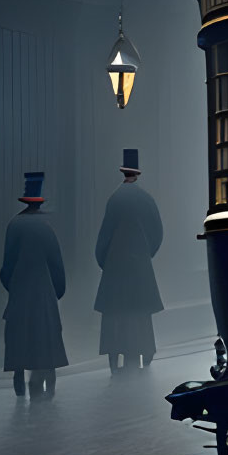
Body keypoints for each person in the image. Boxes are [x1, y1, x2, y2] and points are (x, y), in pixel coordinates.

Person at [94, 149, 164, 371]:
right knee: (140, 314)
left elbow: (104, 236)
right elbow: (158, 232)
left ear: (123, 172)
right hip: (140, 265)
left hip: (116, 266)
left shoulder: (115, 199)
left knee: (116, 315)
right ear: (138, 174)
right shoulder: (146, 199)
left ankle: (116, 357)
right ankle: (143, 352)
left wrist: (104, 261)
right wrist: (146, 253)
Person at [1, 172, 68, 397]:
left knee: (20, 338)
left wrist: (13, 288)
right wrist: (55, 293)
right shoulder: (47, 227)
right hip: (43, 294)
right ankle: (45, 383)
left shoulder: (14, 225)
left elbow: (6, 267)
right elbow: (57, 267)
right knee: (45, 342)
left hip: (20, 293)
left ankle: (19, 377)